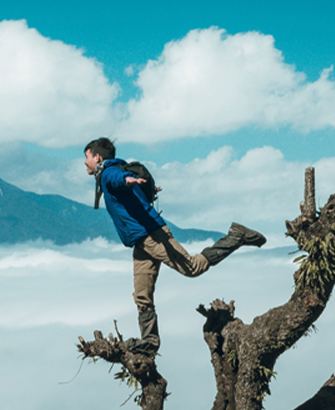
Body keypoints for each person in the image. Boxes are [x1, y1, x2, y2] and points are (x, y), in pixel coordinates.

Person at [84, 137, 266, 355]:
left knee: (192, 267)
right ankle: (150, 342)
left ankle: (236, 236)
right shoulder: (113, 170)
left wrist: (127, 180)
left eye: (86, 157)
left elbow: (116, 179)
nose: (85, 163)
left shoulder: (108, 173)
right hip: (141, 242)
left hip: (153, 236)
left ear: (97, 157)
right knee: (142, 295)